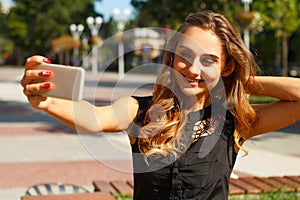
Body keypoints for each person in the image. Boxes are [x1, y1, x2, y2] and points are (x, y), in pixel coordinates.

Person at [21, 11, 300, 200]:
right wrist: (46, 100)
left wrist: (238, 80)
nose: (192, 68)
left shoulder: (233, 121)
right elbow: (93, 118)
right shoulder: (140, 111)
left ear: (226, 66)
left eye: (208, 60)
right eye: (185, 55)